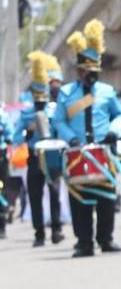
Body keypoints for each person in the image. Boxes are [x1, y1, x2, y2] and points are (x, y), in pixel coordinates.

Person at [55, 19, 121, 258]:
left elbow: (120, 115)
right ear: (79, 71)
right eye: (88, 72)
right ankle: (84, 242)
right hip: (77, 152)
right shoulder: (66, 93)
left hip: (103, 151)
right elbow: (58, 121)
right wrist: (70, 138)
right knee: (80, 198)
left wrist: (113, 132)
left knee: (106, 197)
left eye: (95, 72)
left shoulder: (106, 91)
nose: (91, 76)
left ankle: (106, 239)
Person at [13, 52, 66, 246]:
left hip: (51, 157)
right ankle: (39, 233)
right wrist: (28, 132)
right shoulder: (27, 113)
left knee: (54, 193)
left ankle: (57, 229)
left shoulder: (54, 110)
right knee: (35, 196)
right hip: (34, 157)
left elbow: (61, 132)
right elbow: (16, 137)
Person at [0, 106, 13, 240]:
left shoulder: (2, 116)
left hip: (1, 158)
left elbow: (11, 133)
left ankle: (2, 225)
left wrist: (8, 137)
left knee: (1, 189)